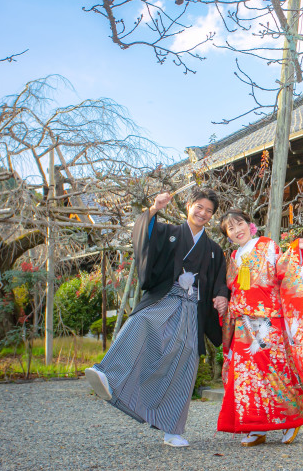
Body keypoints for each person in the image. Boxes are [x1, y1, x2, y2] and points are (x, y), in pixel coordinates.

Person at [84, 189, 229, 447]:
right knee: (141, 322)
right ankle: (107, 373)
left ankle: (172, 429)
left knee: (184, 364)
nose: (203, 213)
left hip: (193, 310)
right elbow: (144, 237)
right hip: (167, 298)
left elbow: (220, 281)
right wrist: (153, 209)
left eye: (209, 211)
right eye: (199, 206)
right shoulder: (168, 232)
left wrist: (221, 296)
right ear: (188, 206)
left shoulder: (214, 250)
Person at [216, 209, 303, 446]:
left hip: (267, 320)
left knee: (276, 370)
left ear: (249, 225)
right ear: (228, 235)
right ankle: (255, 427)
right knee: (246, 378)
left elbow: (284, 268)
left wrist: (296, 249)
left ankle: (292, 420)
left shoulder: (267, 245)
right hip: (242, 323)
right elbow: (233, 287)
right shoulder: (233, 257)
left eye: (239, 223)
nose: (237, 230)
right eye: (231, 228)